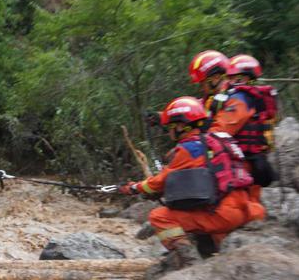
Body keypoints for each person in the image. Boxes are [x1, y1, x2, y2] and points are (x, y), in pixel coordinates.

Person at [118, 97, 257, 269]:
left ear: (181, 126)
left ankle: (190, 265)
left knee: (159, 216)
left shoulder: (190, 148)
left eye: (170, 128)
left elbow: (159, 181)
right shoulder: (218, 139)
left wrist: (133, 187)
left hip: (223, 214)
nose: (169, 133)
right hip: (246, 207)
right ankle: (212, 254)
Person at [208, 54, 278, 209]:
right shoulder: (250, 97)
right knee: (250, 197)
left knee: (243, 200)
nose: (232, 82)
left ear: (249, 79)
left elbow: (223, 128)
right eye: (231, 78)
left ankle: (249, 217)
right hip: (251, 158)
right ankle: (252, 216)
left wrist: (201, 138)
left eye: (237, 78)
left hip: (244, 160)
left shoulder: (240, 99)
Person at [188, 50, 229, 118]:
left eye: (202, 84)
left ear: (216, 78)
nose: (201, 89)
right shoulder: (210, 99)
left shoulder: (234, 101)